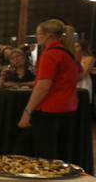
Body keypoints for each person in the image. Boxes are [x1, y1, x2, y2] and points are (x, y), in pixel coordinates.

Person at [17, 19, 81, 160]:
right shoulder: (68, 53)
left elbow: (42, 87)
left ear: (48, 35)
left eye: (38, 33)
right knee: (58, 148)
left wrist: (27, 111)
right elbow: (78, 76)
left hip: (50, 108)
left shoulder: (50, 54)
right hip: (68, 107)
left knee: (45, 151)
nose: (37, 36)